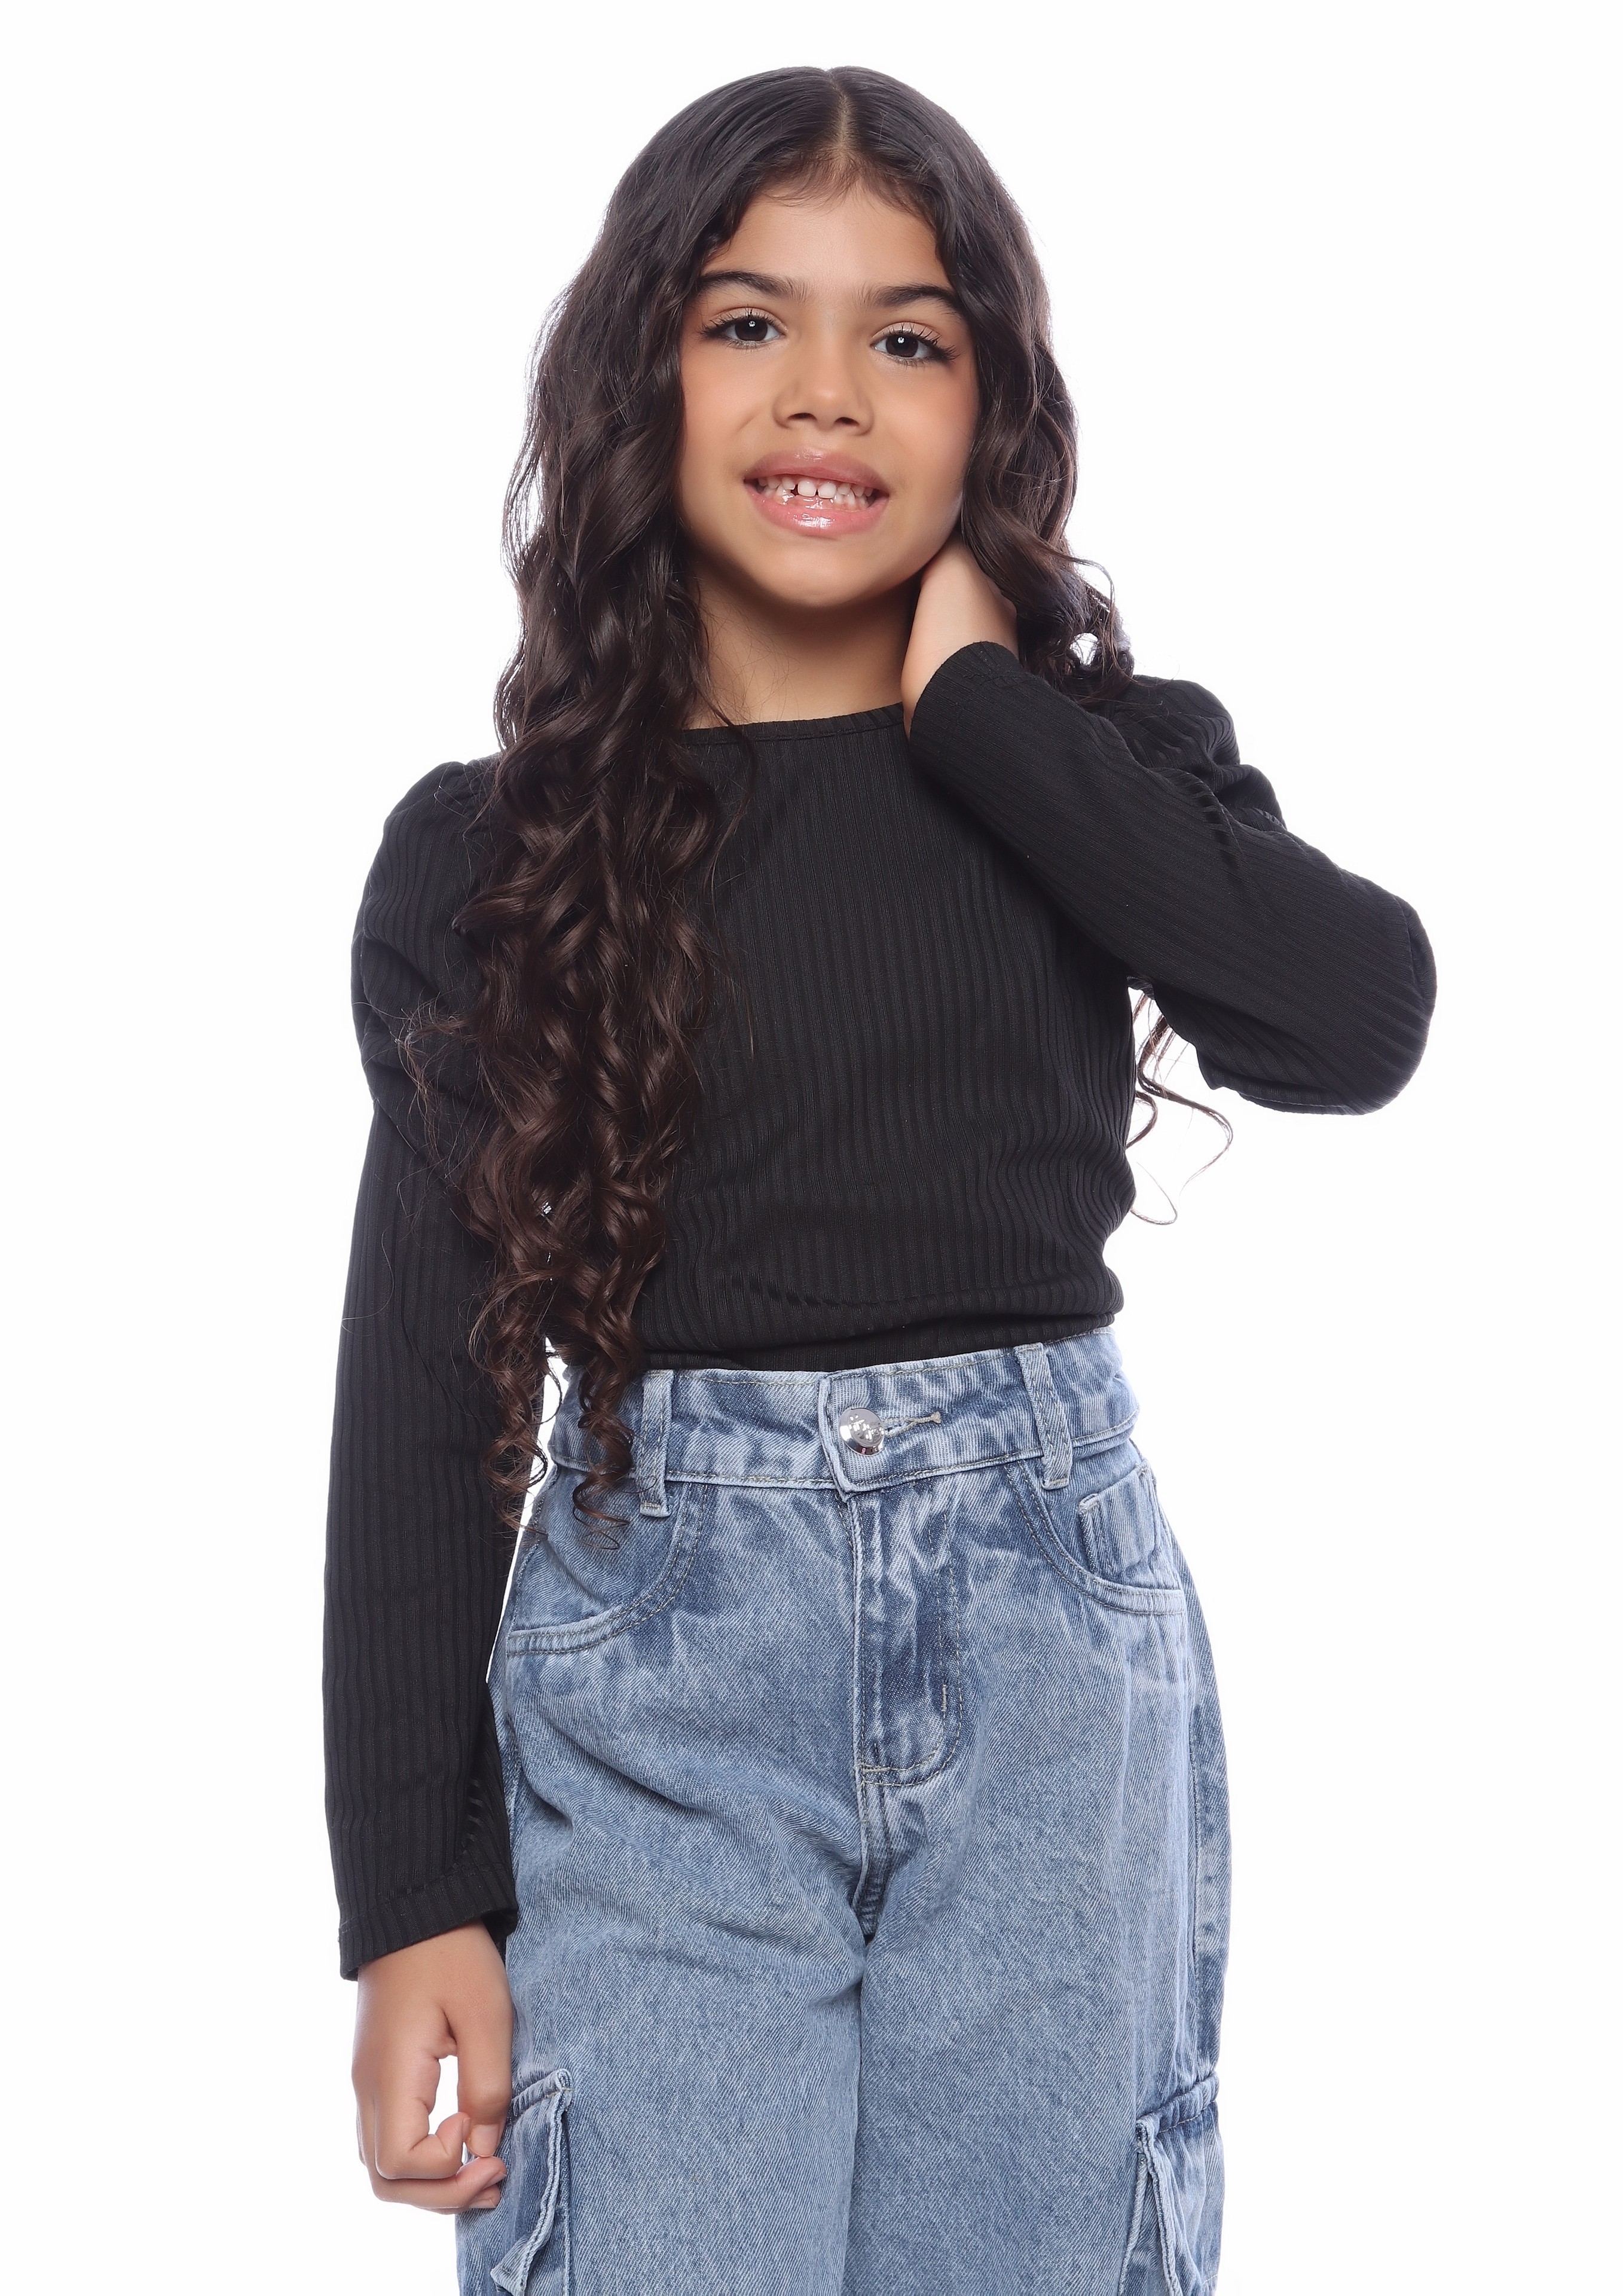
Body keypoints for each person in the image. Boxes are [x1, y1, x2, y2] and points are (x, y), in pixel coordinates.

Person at [324, 64, 1435, 2296]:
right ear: (637, 374)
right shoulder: (494, 854)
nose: (824, 391)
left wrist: (987, 713)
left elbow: (1353, 1020)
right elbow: (429, 1393)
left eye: (905, 337)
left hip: (1049, 1669)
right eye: (748, 322)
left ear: (988, 407)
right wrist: (411, 1897)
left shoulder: (1091, 771)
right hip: (662, 1669)